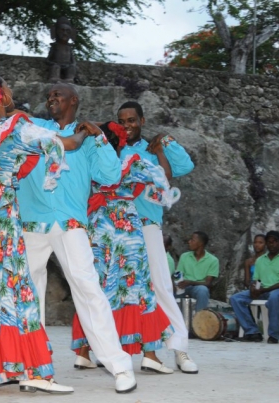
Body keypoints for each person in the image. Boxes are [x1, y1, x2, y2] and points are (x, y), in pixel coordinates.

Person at [0, 73, 96, 394]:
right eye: (7, 87)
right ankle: (33, 370)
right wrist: (82, 132)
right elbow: (64, 144)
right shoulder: (17, 128)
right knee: (14, 286)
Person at [16, 84, 138, 393]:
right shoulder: (34, 128)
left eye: (59, 94)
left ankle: (120, 366)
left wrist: (99, 138)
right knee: (27, 292)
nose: (52, 98)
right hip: (33, 220)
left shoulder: (89, 136)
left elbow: (110, 177)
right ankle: (33, 366)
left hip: (70, 223)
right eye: (49, 95)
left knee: (88, 288)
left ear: (74, 101)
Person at [71, 121, 179, 375]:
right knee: (137, 286)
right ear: (120, 142)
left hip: (98, 227)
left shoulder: (88, 164)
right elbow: (163, 180)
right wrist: (160, 193)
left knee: (97, 286)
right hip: (125, 229)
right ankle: (150, 355)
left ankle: (84, 352)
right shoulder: (132, 162)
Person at [117, 101, 198, 374]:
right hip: (119, 229)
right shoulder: (113, 149)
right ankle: (118, 352)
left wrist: (164, 147)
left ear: (141, 119)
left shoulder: (152, 149)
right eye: (123, 121)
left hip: (148, 225)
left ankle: (180, 349)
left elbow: (182, 169)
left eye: (132, 120)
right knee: (122, 290)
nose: (127, 125)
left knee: (161, 286)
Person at [231, 231, 279, 343]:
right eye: (269, 242)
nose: (272, 244)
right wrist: (253, 288)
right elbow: (256, 279)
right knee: (236, 298)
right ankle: (253, 332)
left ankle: (274, 335)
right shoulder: (260, 260)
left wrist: (263, 290)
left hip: (278, 290)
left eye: (274, 242)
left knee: (274, 298)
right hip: (262, 289)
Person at [175, 231, 219, 312]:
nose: (189, 242)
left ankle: (199, 319)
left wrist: (191, 282)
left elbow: (208, 283)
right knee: (170, 291)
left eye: (192, 240)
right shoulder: (184, 256)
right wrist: (177, 284)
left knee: (203, 290)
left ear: (200, 243)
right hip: (184, 286)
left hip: (198, 287)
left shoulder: (213, 260)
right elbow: (178, 274)